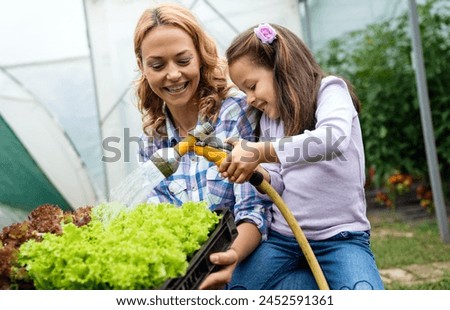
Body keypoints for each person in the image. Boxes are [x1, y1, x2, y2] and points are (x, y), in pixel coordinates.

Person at [216, 23, 384, 290]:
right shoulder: (270, 121)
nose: (249, 99)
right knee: (236, 289)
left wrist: (260, 151)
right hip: (285, 237)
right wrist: (256, 173)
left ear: (281, 67)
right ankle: (309, 285)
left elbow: (332, 139)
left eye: (252, 86)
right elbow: (279, 182)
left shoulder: (329, 91)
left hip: (341, 238)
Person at [133, 4, 272, 289]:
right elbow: (158, 221)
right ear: (142, 67)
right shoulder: (153, 142)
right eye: (157, 65)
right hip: (189, 273)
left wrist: (233, 257)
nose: (172, 75)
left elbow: (254, 207)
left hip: (246, 258)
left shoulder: (235, 113)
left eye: (183, 61)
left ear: (200, 56)